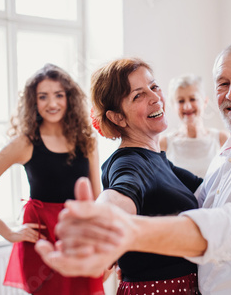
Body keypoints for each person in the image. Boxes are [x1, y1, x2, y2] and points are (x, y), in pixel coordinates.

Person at [36, 39, 231, 295]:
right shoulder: (225, 153)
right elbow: (122, 192)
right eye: (223, 83)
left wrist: (130, 234)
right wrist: (104, 228)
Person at [0, 64, 104, 295]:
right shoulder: (25, 143)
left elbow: (96, 198)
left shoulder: (87, 140)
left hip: (80, 235)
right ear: (34, 102)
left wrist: (103, 249)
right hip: (42, 241)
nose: (52, 103)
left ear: (69, 98)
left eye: (59, 95)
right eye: (43, 97)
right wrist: (9, 233)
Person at [82, 58, 203, 294]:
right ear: (118, 117)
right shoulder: (129, 162)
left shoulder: (160, 161)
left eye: (154, 86)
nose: (154, 97)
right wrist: (99, 221)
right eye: (138, 95)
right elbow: (119, 194)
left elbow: (216, 189)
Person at [159, 74, 229, 177]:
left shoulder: (223, 139)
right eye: (180, 101)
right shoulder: (163, 144)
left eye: (193, 99)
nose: (187, 106)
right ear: (173, 105)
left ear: (205, 102)